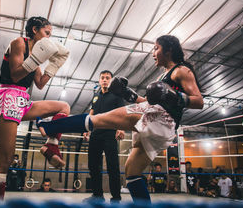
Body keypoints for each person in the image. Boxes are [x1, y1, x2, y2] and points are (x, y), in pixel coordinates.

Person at [37, 35, 204, 203]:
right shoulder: (162, 77)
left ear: (168, 50)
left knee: (98, 120)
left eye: (156, 48)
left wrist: (173, 96)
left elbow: (199, 101)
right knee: (131, 171)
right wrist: (127, 93)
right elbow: (146, 101)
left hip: (160, 118)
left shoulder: (181, 70)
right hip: (160, 126)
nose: (153, 53)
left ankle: (50, 127)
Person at [0, 17, 71, 200]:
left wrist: (54, 65)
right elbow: (16, 75)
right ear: (34, 30)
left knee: (63, 107)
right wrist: (36, 59)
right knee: (5, 161)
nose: (49, 38)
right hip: (8, 97)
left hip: (23, 100)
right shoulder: (19, 43)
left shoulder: (36, 54)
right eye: (47, 33)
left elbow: (39, 84)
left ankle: (50, 146)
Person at [83, 70, 125, 203]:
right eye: (102, 78)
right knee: (93, 165)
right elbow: (92, 112)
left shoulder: (117, 95)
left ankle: (116, 197)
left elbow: (122, 113)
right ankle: (97, 195)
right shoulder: (96, 96)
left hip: (110, 133)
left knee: (113, 166)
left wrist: (121, 128)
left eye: (107, 78)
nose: (105, 80)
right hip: (96, 133)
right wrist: (86, 128)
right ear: (99, 80)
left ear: (111, 80)